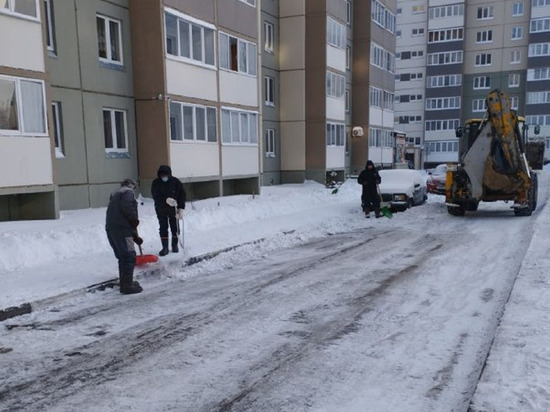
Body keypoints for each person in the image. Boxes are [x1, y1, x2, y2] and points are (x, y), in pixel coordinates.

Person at [105, 178, 143, 294]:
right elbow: (127, 208)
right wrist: (134, 219)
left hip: (112, 228)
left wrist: (134, 236)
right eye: (134, 187)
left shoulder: (115, 193)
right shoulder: (127, 192)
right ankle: (127, 286)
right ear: (132, 185)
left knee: (122, 256)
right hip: (122, 229)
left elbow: (120, 215)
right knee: (129, 256)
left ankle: (125, 282)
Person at [151, 165, 186, 256]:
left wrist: (181, 208)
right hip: (161, 209)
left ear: (169, 174)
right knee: (163, 227)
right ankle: (165, 248)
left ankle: (175, 245)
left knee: (175, 227)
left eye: (165, 175)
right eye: (162, 175)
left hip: (173, 209)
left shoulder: (175, 182)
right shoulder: (156, 183)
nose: (164, 177)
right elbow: (155, 196)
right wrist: (166, 200)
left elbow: (181, 195)